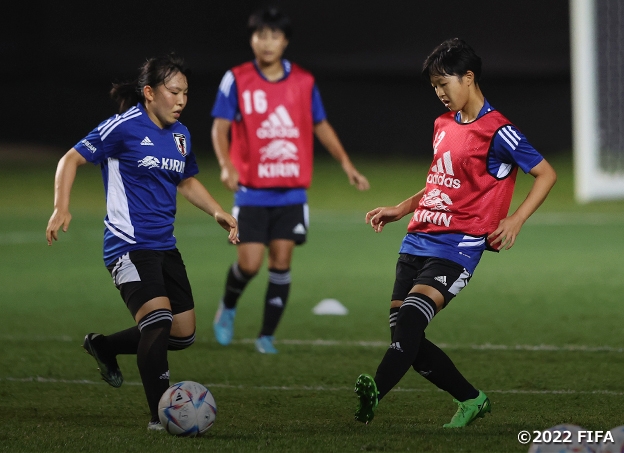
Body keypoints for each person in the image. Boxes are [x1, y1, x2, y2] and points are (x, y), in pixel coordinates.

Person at [353, 38, 557, 427]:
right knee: (406, 338)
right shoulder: (443, 125)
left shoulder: (498, 130)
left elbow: (546, 173)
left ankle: (374, 392)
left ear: (468, 77)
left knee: (409, 324)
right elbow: (439, 182)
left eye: (443, 84)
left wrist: (515, 219)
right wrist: (401, 208)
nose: (440, 94)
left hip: (457, 247)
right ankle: (472, 400)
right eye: (434, 87)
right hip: (417, 238)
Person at [45, 54, 239, 431]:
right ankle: (160, 417)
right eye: (174, 92)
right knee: (158, 322)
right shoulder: (124, 127)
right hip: (127, 245)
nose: (181, 100)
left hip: (164, 246)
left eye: (185, 93)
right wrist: (60, 207)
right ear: (149, 93)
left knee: (182, 334)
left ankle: (104, 346)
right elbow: (70, 159)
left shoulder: (181, 135)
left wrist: (217, 211)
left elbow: (186, 180)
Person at [210, 7, 370, 354]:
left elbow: (320, 124)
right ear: (252, 39)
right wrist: (226, 165)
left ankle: (266, 336)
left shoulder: (303, 81)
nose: (267, 43)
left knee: (281, 262)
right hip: (252, 191)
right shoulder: (236, 79)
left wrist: (346, 164)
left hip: (291, 192)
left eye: (275, 36)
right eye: (261, 35)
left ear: (285, 41)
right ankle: (229, 306)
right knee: (249, 264)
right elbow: (219, 128)